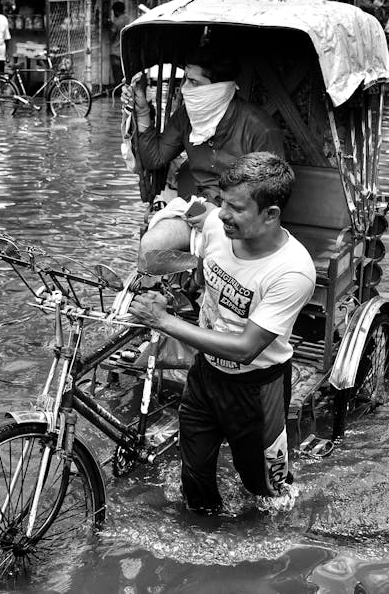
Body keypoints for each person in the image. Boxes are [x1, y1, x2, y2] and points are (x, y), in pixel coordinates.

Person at [127, 152, 316, 513]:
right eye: (223, 203)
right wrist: (154, 264)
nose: (224, 214)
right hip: (206, 376)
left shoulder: (292, 271)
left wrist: (164, 321)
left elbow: (247, 349)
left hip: (257, 390)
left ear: (270, 215)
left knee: (267, 491)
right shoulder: (217, 225)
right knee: (194, 477)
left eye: (237, 208)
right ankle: (204, 544)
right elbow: (189, 225)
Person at [127, 45, 285, 206]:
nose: (183, 89)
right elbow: (155, 158)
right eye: (186, 79)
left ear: (218, 88)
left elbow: (270, 193)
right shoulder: (185, 116)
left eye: (194, 82)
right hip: (199, 204)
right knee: (165, 225)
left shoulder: (260, 128)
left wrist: (221, 212)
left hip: (238, 215)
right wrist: (143, 112)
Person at [109, 1, 131, 87]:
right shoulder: (129, 20)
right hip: (126, 51)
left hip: (116, 51)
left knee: (117, 75)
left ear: (116, 11)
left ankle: (118, 93)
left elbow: (111, 36)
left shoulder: (116, 23)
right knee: (126, 73)